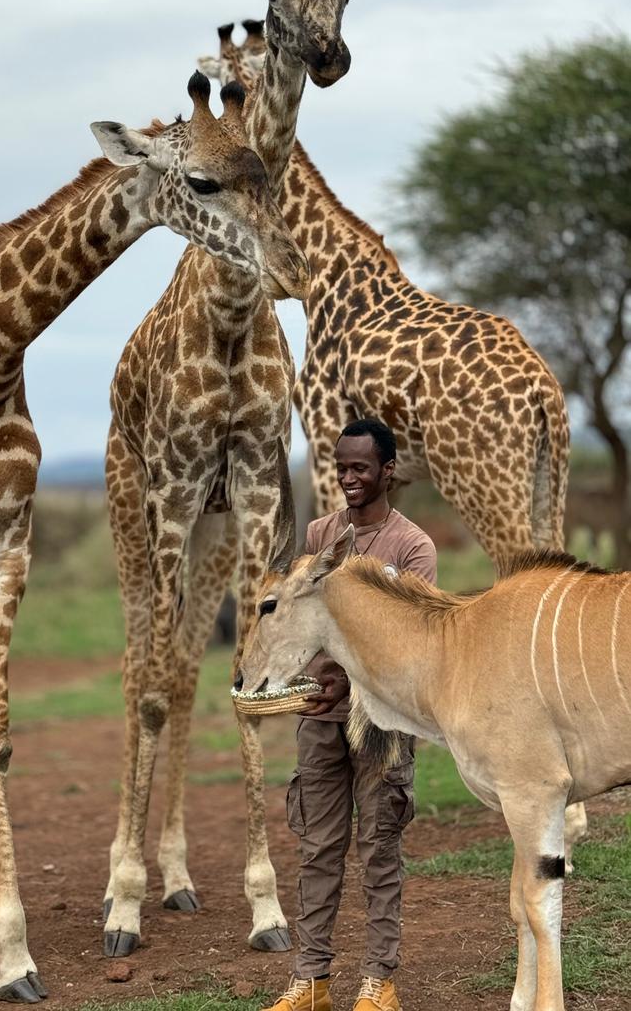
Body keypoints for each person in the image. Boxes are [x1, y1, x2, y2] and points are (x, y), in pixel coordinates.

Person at [264, 418, 437, 1011]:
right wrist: (317, 681)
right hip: (319, 719)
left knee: (380, 847)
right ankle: (310, 981)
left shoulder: (412, 547)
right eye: (341, 467)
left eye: (360, 468)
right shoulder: (319, 535)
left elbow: (413, 641)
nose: (348, 479)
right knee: (317, 846)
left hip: (382, 725)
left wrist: (347, 675)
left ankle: (378, 981)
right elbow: (303, 623)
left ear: (388, 471)